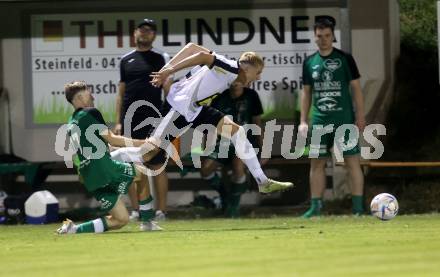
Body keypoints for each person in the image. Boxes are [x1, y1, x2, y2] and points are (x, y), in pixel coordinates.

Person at [111, 42, 294, 195]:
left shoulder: (229, 70)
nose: (259, 77)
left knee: (237, 132)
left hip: (195, 109)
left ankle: (262, 181)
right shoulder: (231, 67)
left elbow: (191, 47)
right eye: (258, 72)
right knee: (149, 152)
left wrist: (167, 69)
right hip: (179, 108)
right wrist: (169, 70)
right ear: (247, 68)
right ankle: (108, 160)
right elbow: (201, 56)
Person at [57, 81, 162, 234]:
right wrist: (144, 143)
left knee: (121, 220)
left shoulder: (71, 122)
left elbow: (89, 149)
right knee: (142, 173)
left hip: (91, 177)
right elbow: (112, 139)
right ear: (79, 98)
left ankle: (73, 229)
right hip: (104, 169)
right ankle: (147, 222)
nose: (92, 96)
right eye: (88, 93)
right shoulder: (90, 112)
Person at [299, 18, 366, 218]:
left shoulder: (345, 59)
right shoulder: (309, 62)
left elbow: (356, 89)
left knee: (352, 162)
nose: (323, 40)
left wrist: (360, 116)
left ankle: (358, 208)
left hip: (343, 119)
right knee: (317, 164)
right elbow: (306, 93)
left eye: (327, 35)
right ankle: (315, 207)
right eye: (319, 36)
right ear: (315, 36)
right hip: (319, 121)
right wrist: (303, 120)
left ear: (333, 35)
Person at [115, 18, 171, 221]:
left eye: (150, 30)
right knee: (134, 167)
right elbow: (121, 94)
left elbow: (169, 91)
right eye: (142, 29)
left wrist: (168, 118)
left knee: (157, 165)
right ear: (135, 33)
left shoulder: (161, 57)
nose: (145, 33)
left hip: (155, 120)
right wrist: (119, 121)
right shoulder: (125, 60)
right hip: (129, 121)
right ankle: (138, 211)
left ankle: (161, 211)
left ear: (154, 35)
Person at [200, 82, 264, 217]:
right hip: (222, 143)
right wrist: (205, 147)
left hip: (244, 142)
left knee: (238, 165)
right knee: (205, 169)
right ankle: (225, 196)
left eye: (240, 81)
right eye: (233, 80)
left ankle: (233, 208)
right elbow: (209, 125)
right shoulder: (219, 98)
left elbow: (258, 123)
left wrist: (264, 150)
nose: (236, 84)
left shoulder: (252, 96)